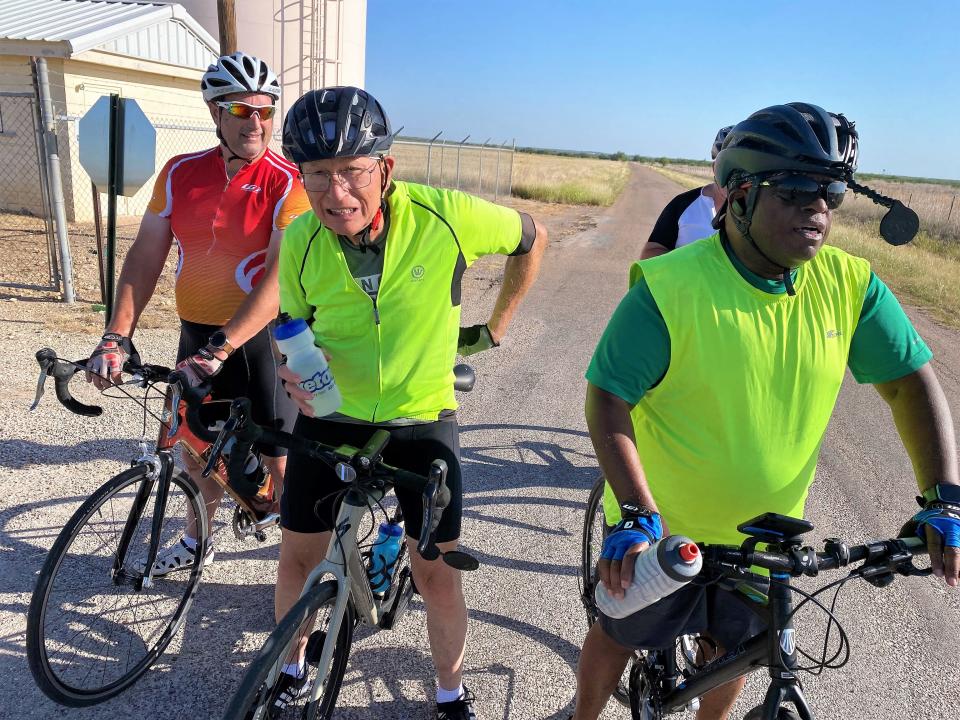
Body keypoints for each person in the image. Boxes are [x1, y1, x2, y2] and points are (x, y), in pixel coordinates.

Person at [572, 102, 959, 720]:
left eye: (830, 192)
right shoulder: (668, 289)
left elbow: (909, 384)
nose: (818, 209)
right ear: (741, 196)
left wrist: (943, 497)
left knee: (738, 652)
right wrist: (638, 514)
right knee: (618, 633)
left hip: (764, 539)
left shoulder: (851, 286)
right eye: (796, 190)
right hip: (662, 530)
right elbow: (608, 397)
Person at [274, 86, 548, 719]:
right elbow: (293, 325)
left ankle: (450, 691)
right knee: (297, 554)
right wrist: (293, 371)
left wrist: (499, 323)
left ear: (385, 168)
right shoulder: (300, 241)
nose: (335, 194)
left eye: (351, 172)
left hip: (422, 418)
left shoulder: (446, 215)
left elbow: (534, 237)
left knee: (437, 570)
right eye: (317, 175)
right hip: (331, 413)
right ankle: (290, 667)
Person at [85, 52, 309, 574]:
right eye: (239, 111)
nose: (255, 122)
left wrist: (223, 346)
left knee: (281, 459)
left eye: (265, 110)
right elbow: (144, 257)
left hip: (262, 338)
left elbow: (277, 279)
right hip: (198, 333)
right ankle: (198, 535)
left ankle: (303, 559)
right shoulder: (181, 173)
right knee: (194, 442)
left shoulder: (288, 181)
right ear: (214, 112)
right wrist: (115, 335)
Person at [642, 125, 732, 258]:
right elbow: (650, 253)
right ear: (714, 168)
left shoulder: (761, 212)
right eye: (727, 164)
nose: (733, 174)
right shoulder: (683, 204)